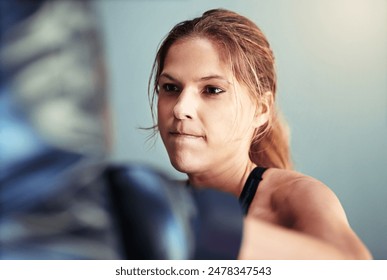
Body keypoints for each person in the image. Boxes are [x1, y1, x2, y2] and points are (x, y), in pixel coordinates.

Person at [148, 8, 372, 259]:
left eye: (211, 90)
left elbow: (357, 265)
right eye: (170, 87)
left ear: (261, 109)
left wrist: (212, 230)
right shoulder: (157, 205)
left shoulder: (293, 197)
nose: (180, 108)